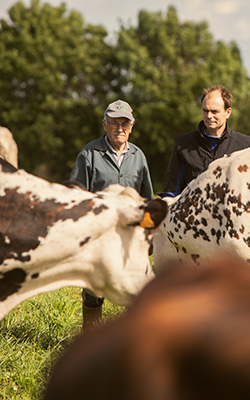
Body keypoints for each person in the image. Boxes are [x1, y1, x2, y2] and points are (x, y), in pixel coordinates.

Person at [70, 99, 154, 330]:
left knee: (135, 290)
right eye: (115, 123)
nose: (120, 129)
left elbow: (147, 198)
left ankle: (132, 341)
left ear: (132, 127)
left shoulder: (139, 157)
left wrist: (149, 236)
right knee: (94, 291)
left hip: (130, 236)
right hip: (99, 235)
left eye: (125, 124)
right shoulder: (89, 154)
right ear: (105, 124)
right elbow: (76, 198)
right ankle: (91, 340)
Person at [161, 85, 250, 197]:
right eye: (205, 111)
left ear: (228, 112)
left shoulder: (245, 147)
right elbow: (171, 193)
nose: (209, 116)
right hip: (193, 213)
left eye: (214, 111)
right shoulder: (183, 146)